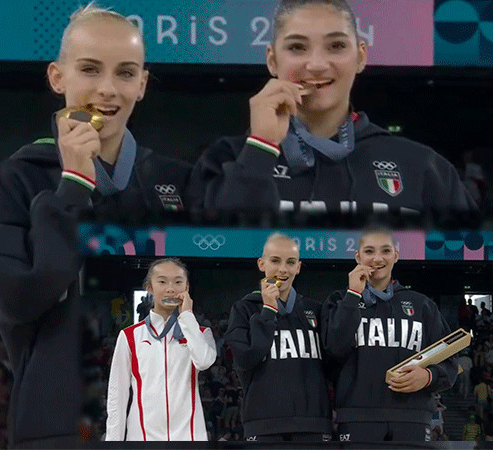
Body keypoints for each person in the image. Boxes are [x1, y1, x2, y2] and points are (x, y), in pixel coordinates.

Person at [0, 3, 191, 447]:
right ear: (57, 77)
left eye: (126, 73)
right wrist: (72, 186)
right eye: (90, 69)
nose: (107, 89)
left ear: (142, 85)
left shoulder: (176, 180)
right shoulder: (17, 178)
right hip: (59, 425)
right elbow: (21, 301)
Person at [189, 0, 476, 222]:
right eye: (297, 47)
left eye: (336, 45)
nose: (316, 64)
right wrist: (261, 148)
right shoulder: (224, 158)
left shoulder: (424, 167)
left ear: (361, 56)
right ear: (273, 60)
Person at [322, 227, 458, 441]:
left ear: (396, 255)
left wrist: (428, 376)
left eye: (385, 251)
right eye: (369, 251)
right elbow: (333, 350)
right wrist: (352, 296)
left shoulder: (422, 305)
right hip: (357, 418)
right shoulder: (338, 301)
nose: (377, 258)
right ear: (358, 257)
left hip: (412, 418)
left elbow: (450, 360)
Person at [225, 233, 331, 442]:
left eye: (290, 262)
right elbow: (246, 360)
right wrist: (268, 310)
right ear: (261, 264)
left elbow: (332, 363)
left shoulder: (315, 309)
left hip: (313, 423)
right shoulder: (243, 309)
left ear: (298, 267)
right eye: (275, 261)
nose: (283, 269)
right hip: (263, 423)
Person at [105, 258, 216, 441]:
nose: (170, 288)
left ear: (187, 288)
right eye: (162, 281)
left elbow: (204, 362)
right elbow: (117, 396)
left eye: (178, 282)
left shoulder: (201, 333)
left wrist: (187, 317)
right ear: (149, 287)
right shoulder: (130, 336)